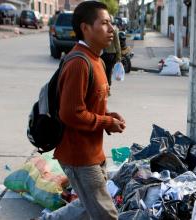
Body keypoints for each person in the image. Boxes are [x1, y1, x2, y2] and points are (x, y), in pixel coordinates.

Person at [37, 1, 125, 219]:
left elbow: (89, 105)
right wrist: (106, 122)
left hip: (93, 152)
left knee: (86, 207)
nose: (111, 29)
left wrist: (109, 117)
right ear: (85, 28)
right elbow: (71, 113)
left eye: (111, 23)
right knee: (107, 215)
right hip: (79, 156)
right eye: (104, 23)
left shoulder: (98, 61)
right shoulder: (79, 63)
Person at [100, 18, 121, 94]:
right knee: (108, 72)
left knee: (102, 72)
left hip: (102, 54)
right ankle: (107, 89)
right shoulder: (114, 30)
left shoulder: (101, 29)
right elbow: (117, 44)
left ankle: (105, 89)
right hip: (111, 54)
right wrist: (119, 56)